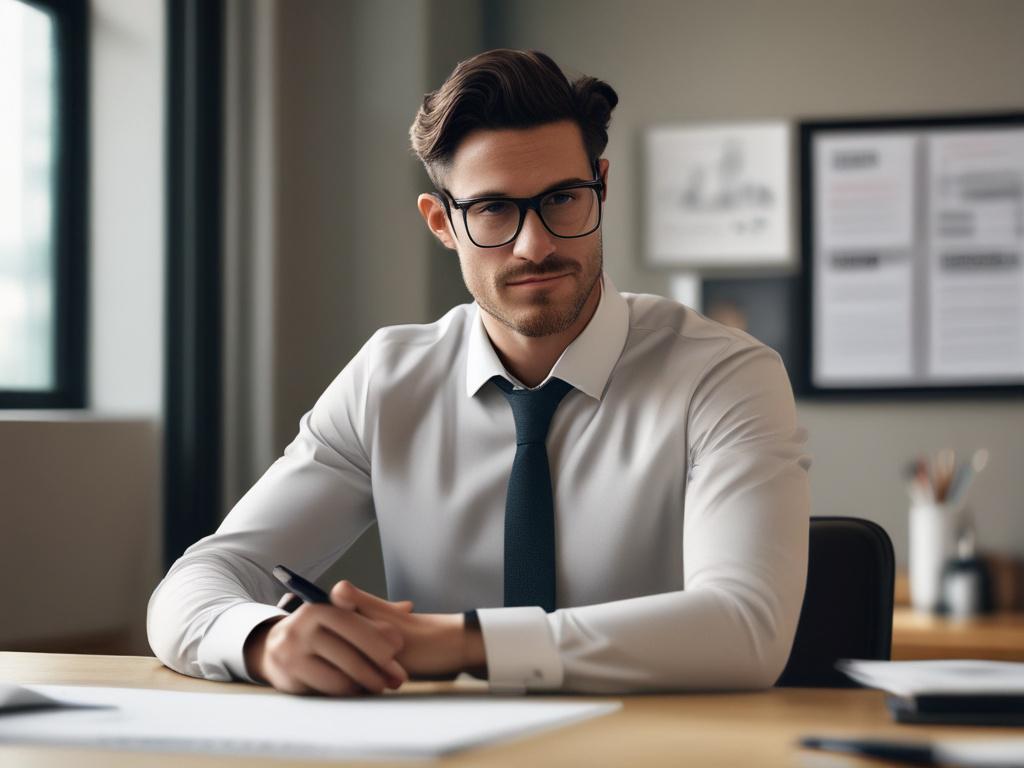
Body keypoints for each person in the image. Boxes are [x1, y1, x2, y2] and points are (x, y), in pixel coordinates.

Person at [147, 49, 810, 696]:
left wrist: (464, 643)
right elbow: (201, 578)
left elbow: (746, 628)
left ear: (601, 187)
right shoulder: (387, 380)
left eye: (563, 199)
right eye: (493, 209)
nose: (536, 244)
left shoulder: (726, 376)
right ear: (442, 222)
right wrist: (264, 639)